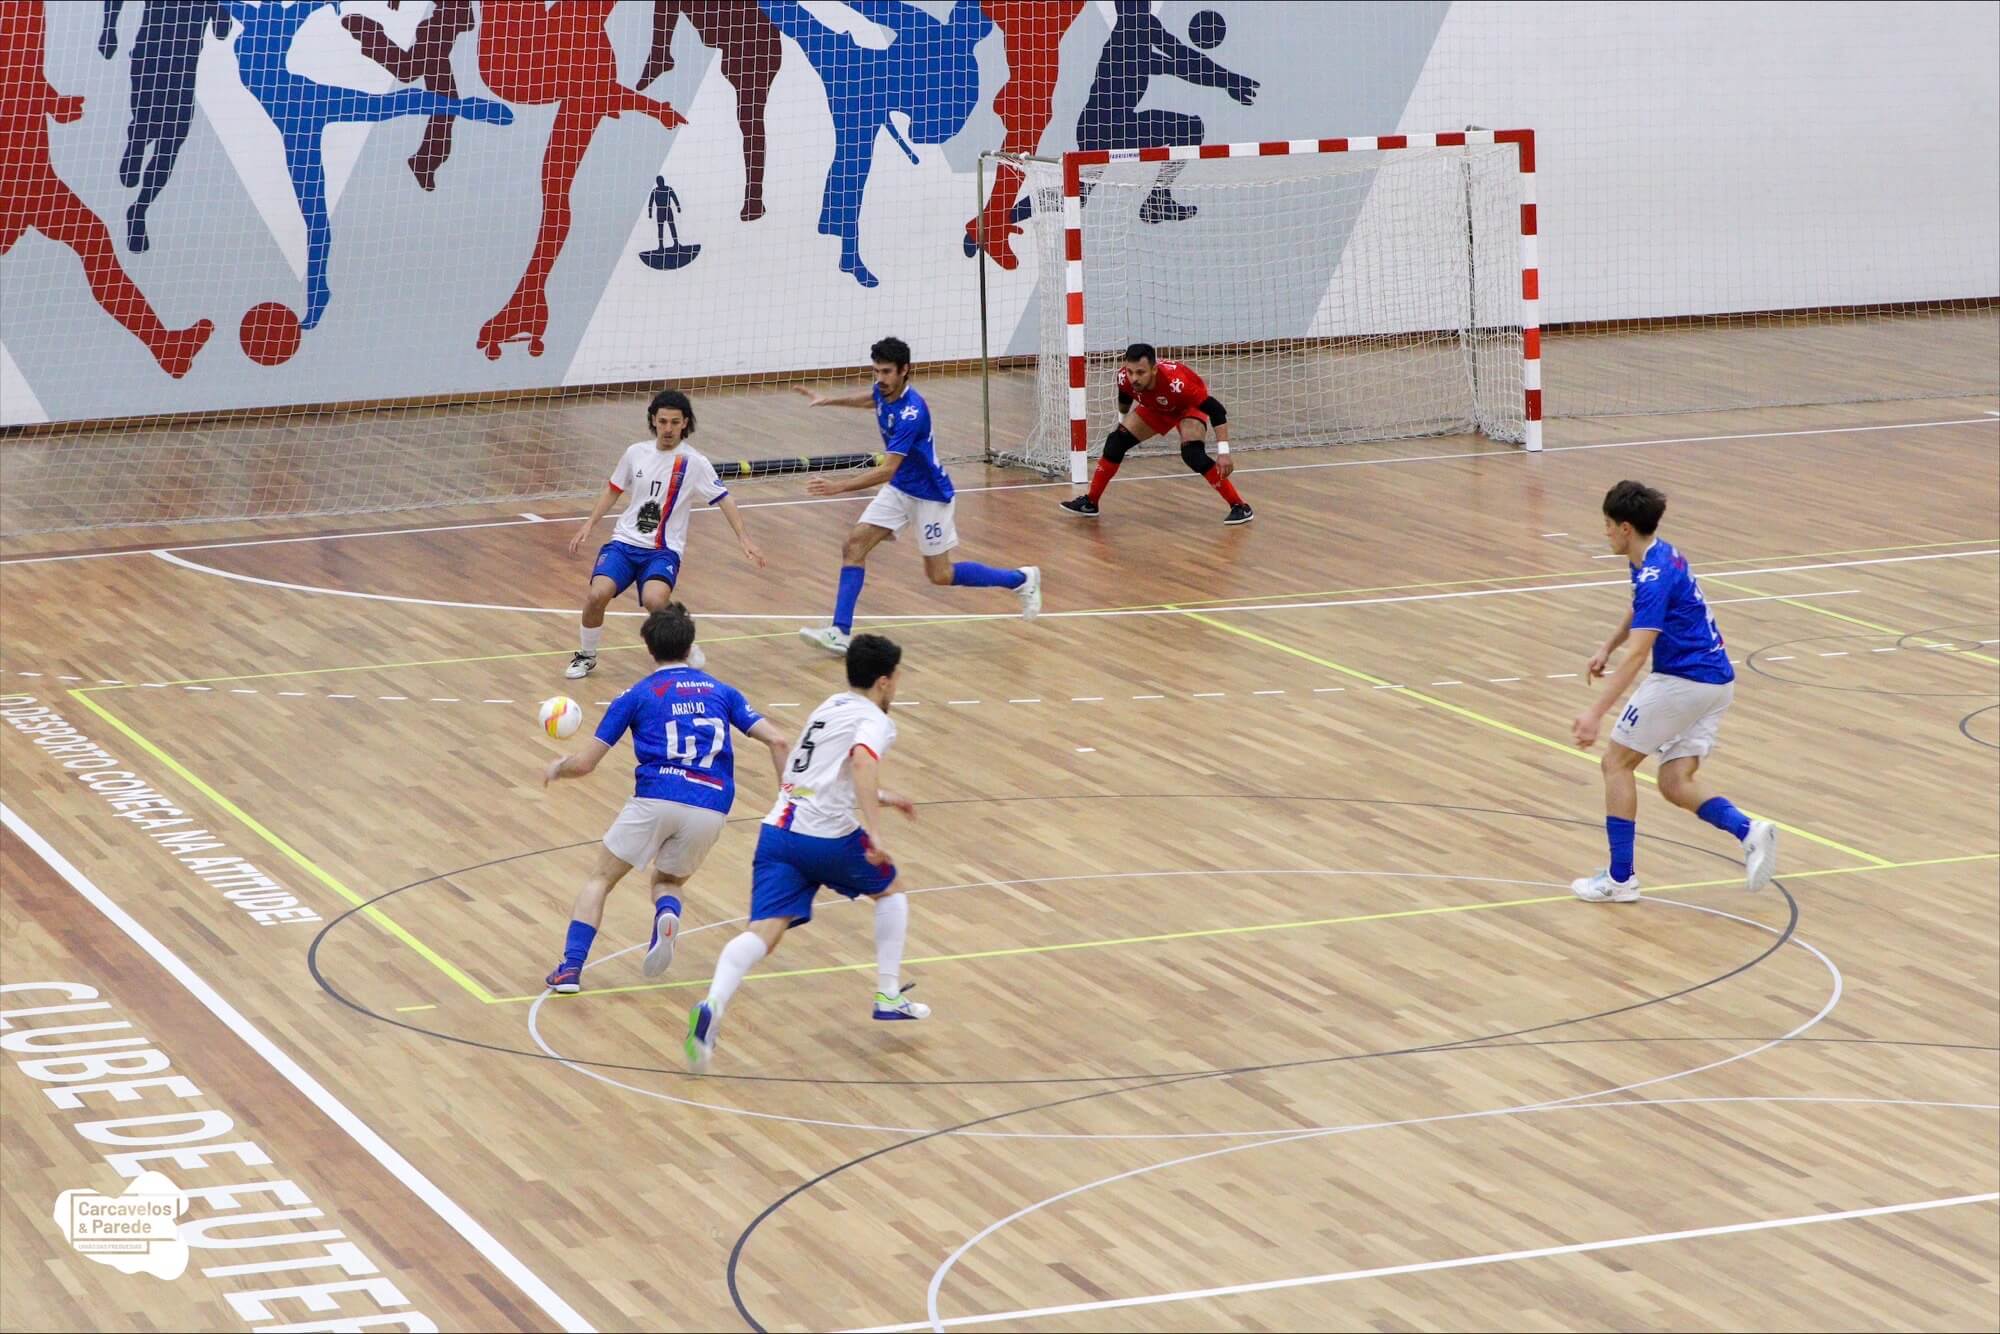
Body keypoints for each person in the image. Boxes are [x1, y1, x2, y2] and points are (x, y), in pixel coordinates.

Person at [685, 633, 922, 1070]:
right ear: (885, 682)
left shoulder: (828, 707)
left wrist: (884, 797)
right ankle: (888, 993)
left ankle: (712, 1005)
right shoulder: (875, 719)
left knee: (763, 932)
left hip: (778, 831)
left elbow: (823, 773)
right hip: (826, 836)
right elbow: (863, 760)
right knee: (892, 890)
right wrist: (875, 832)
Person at [541, 605, 790, 994]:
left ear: (649, 648)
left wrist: (560, 768)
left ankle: (571, 968)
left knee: (601, 879)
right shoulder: (722, 692)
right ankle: (667, 913)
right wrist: (787, 801)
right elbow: (778, 739)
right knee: (669, 880)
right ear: (690, 646)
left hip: (657, 797)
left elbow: (586, 764)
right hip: (711, 806)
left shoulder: (637, 695)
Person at [1569, 480, 1777, 902]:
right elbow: (1640, 608)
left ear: (1625, 528)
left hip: (1684, 681)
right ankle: (1749, 831)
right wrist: (1607, 645)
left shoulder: (1654, 575)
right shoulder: (1659, 554)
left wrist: (1595, 713)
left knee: (1616, 763)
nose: (1604, 533)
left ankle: (1620, 879)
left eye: (1607, 525)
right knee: (1674, 781)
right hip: (1717, 682)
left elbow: (1639, 654)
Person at [794, 336, 1040, 656]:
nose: (880, 379)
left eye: (886, 372)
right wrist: (828, 400)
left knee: (940, 575)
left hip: (929, 496)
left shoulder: (912, 413)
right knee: (854, 545)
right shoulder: (883, 391)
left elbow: (887, 469)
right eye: (876, 371)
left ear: (904, 370)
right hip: (900, 489)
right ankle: (840, 632)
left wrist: (838, 487)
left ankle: (1020, 579)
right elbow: (870, 399)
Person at [566, 389, 765, 679]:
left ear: (685, 423)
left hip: (663, 550)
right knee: (598, 594)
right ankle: (586, 655)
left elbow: (724, 498)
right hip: (624, 543)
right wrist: (589, 524)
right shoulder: (635, 453)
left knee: (655, 601)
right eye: (662, 421)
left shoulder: (694, 462)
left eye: (674, 422)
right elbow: (614, 489)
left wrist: (743, 537)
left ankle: (685, 642)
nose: (668, 429)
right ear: (653, 421)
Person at [1061, 343, 1252, 524]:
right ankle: (1090, 502)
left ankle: (1240, 506)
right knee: (1116, 442)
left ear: (1154, 370)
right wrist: (1122, 424)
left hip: (1187, 407)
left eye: (1140, 373)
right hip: (1156, 407)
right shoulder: (1124, 378)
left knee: (1193, 454)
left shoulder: (1177, 383)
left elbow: (1217, 411)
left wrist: (1224, 453)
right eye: (1130, 372)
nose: (1134, 378)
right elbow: (1125, 396)